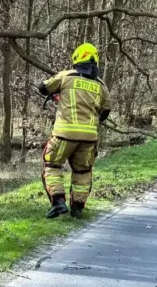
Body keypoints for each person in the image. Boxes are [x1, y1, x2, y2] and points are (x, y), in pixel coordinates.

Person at [38, 43, 112, 218]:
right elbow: (106, 110)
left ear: (77, 58)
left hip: (64, 135)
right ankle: (77, 208)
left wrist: (58, 93)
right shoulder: (101, 85)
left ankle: (58, 203)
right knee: (83, 171)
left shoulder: (66, 76)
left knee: (53, 164)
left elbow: (43, 87)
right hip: (89, 138)